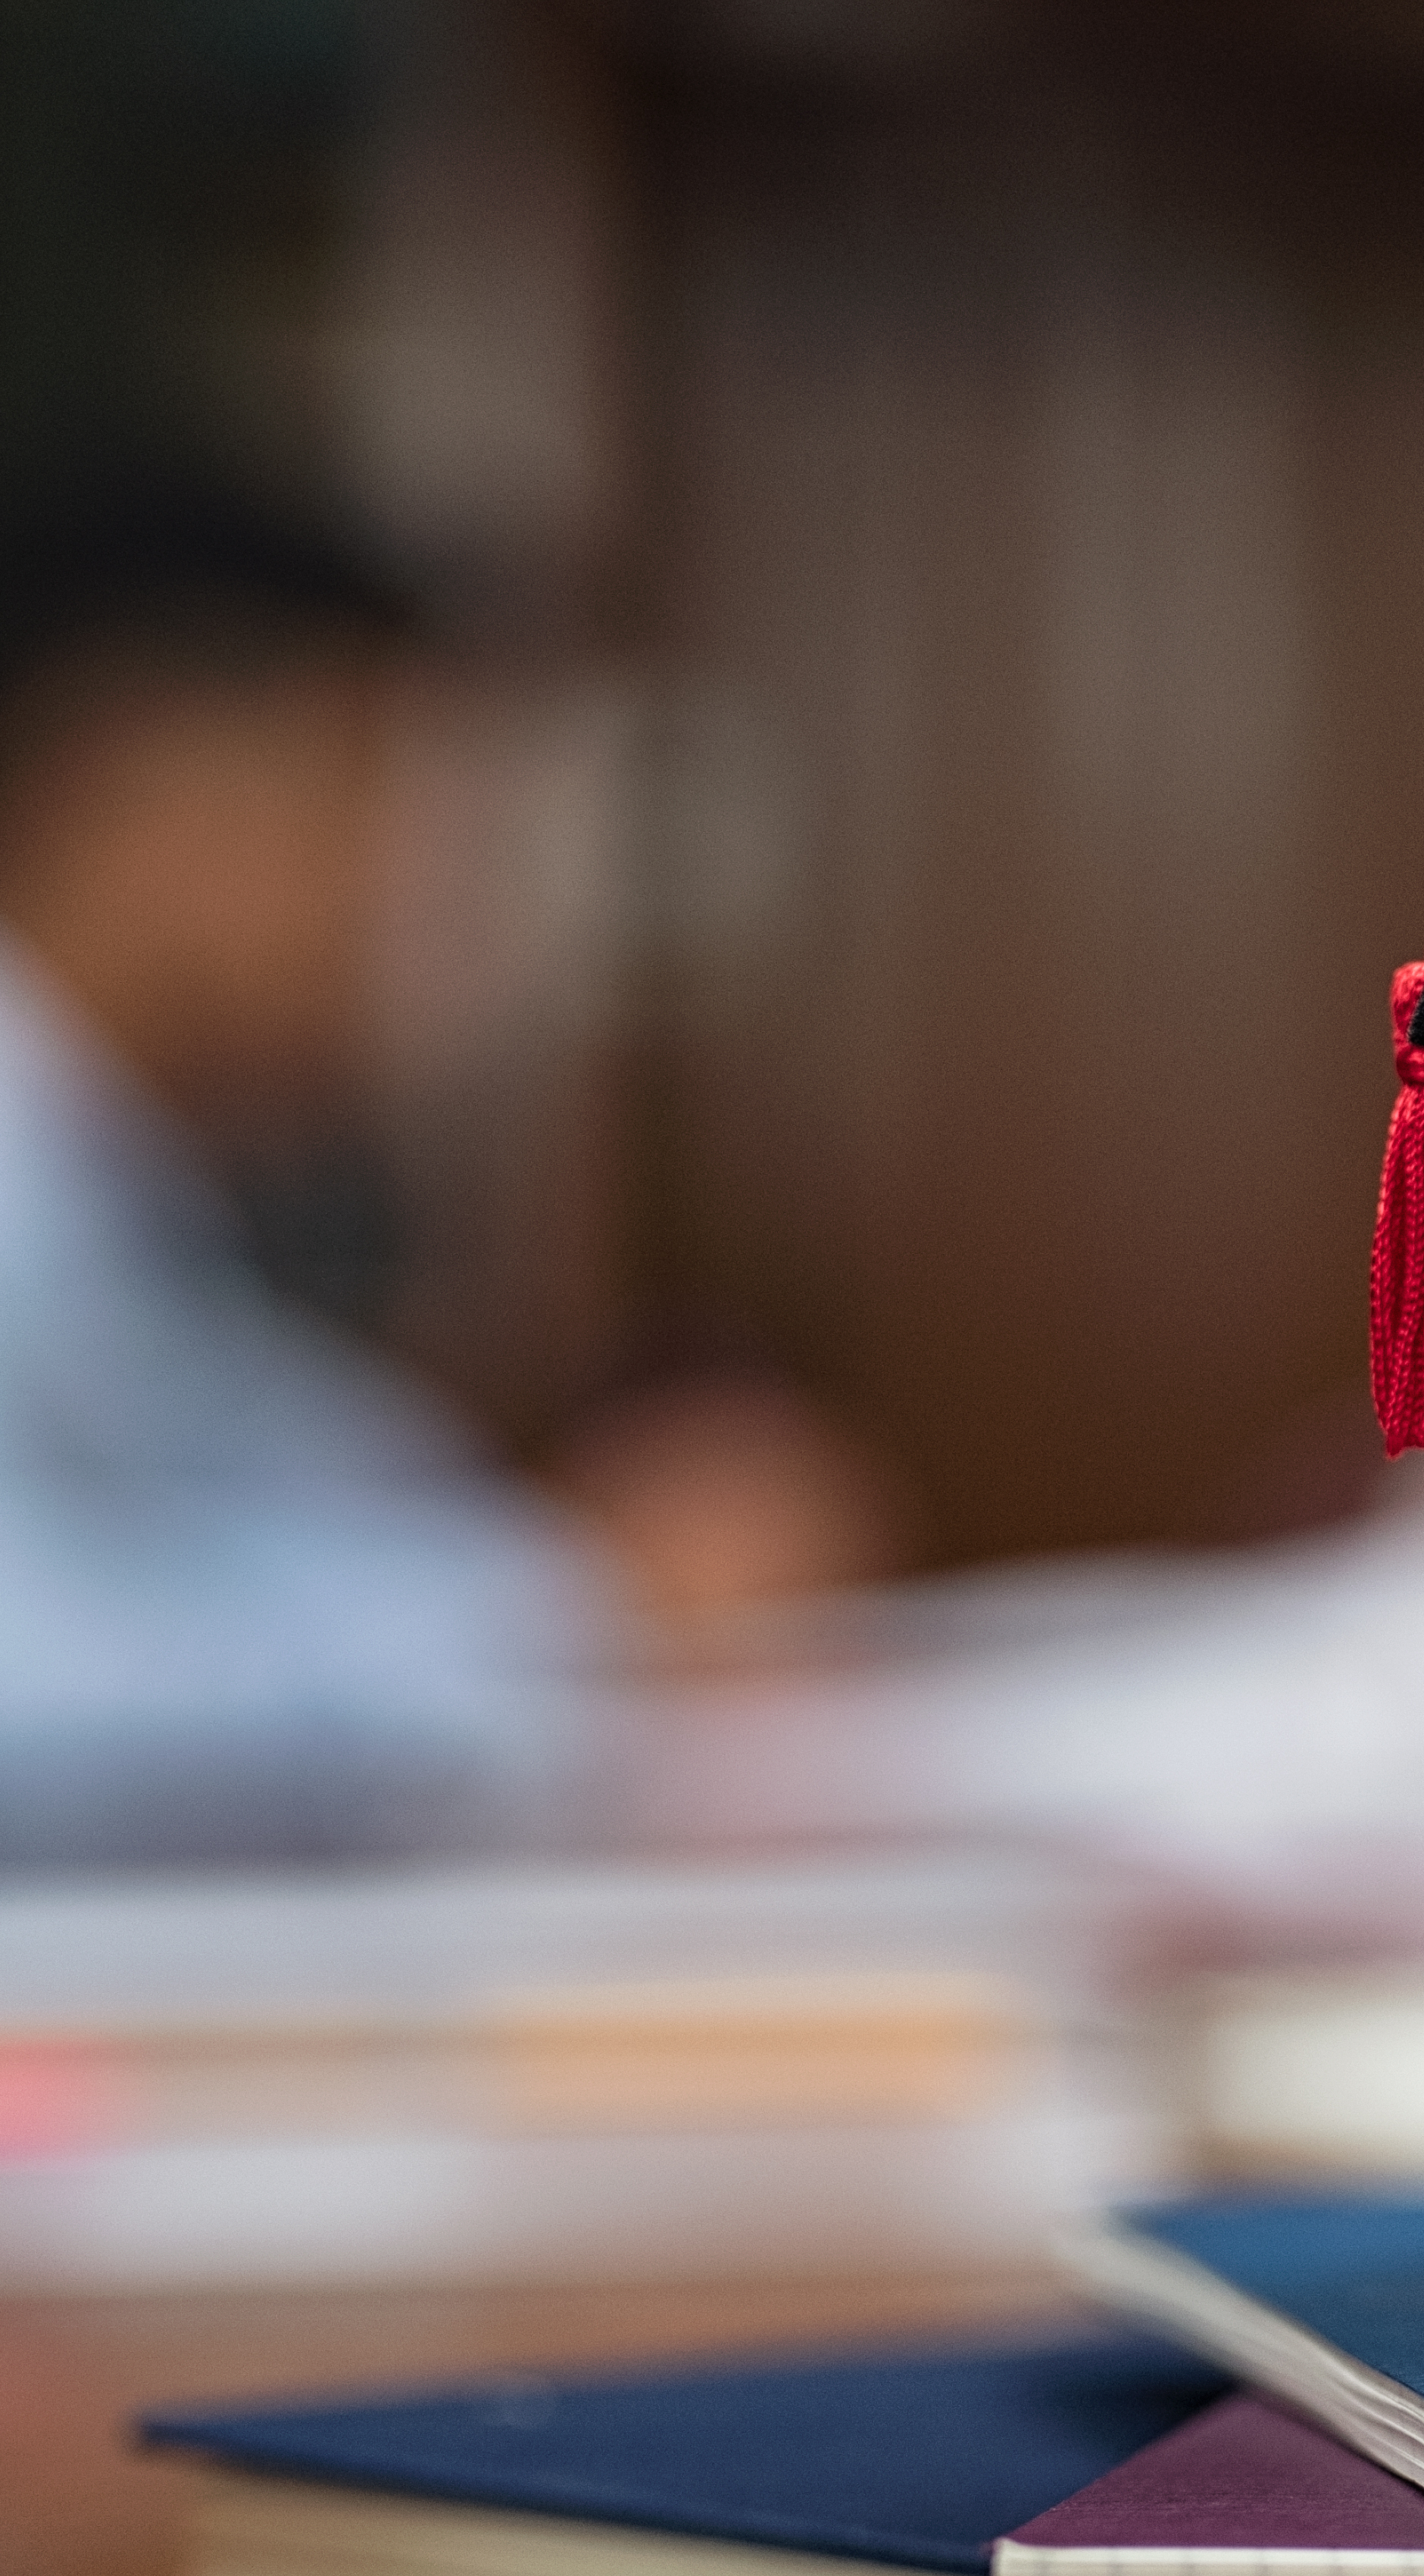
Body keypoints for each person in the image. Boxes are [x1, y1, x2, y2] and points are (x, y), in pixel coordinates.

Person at [0, 477, 886, 1860]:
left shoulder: (110, 1174)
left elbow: (289, 1492)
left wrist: (575, 1571)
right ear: (149, 794)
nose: (423, 917)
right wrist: (576, 1614)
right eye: (376, 817)